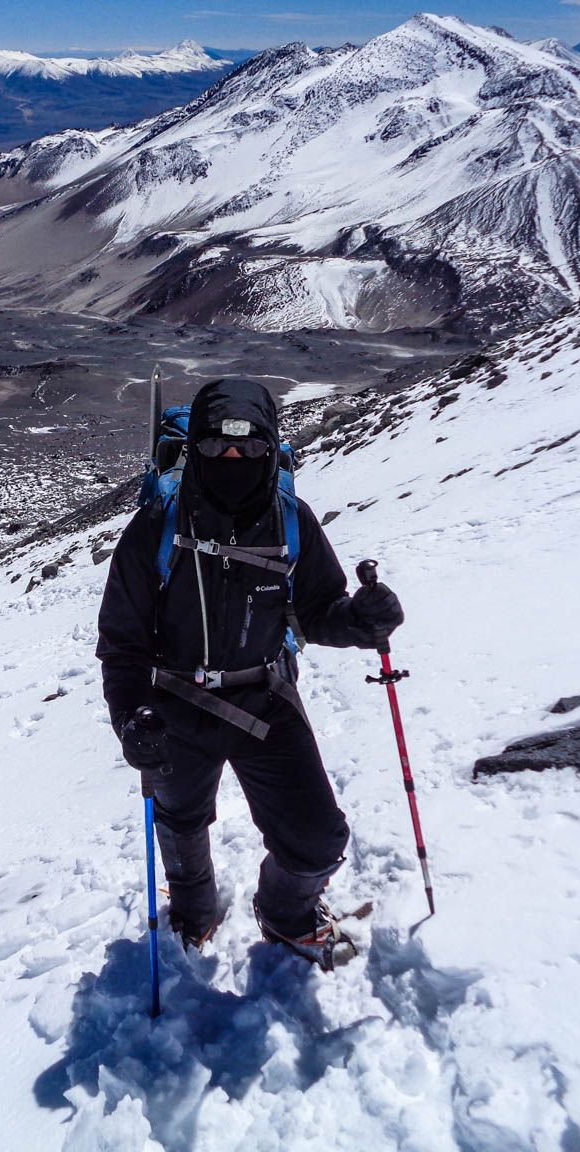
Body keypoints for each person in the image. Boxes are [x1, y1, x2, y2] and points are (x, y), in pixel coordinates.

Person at [96, 378, 404, 970]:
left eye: (249, 449)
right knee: (179, 821)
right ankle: (194, 908)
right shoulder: (160, 520)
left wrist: (364, 622)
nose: (231, 460)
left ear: (272, 448)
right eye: (215, 448)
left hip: (265, 696)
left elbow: (318, 611)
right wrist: (130, 714)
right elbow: (123, 641)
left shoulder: (290, 518)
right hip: (174, 702)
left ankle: (284, 913)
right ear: (196, 451)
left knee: (317, 840)